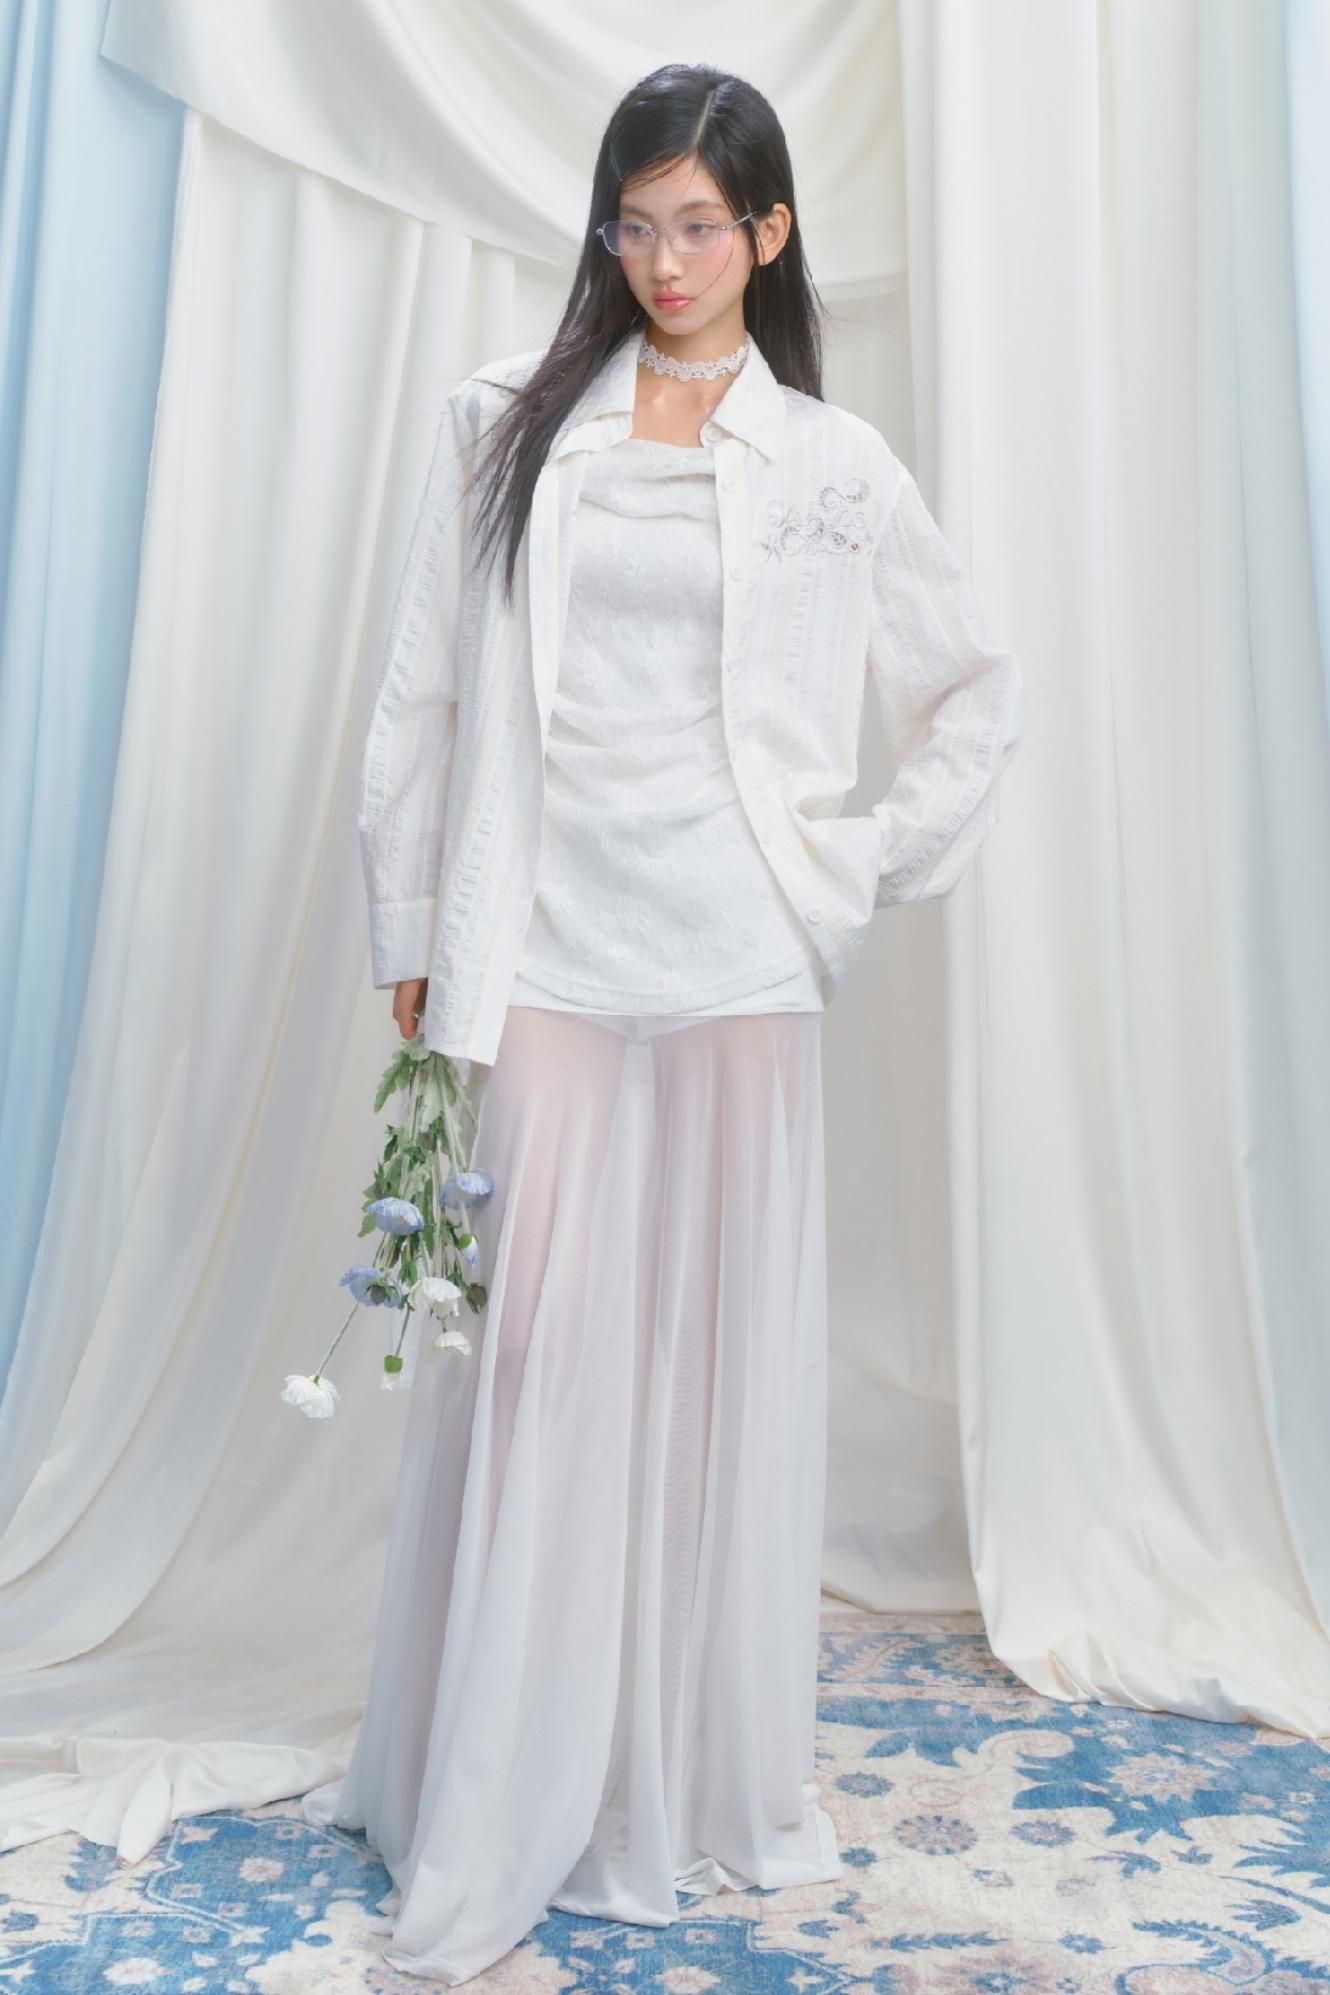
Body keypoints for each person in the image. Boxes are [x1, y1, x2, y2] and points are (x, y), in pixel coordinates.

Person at [301, 60, 1024, 1987]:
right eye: (634, 224)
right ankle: (495, 1774)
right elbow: (422, 691)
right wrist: (408, 916)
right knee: (536, 1357)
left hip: (734, 957)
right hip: (541, 943)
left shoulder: (832, 466)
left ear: (768, 233)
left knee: (708, 1364)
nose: (665, 260)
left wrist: (850, 862)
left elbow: (973, 689)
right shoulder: (503, 422)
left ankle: (669, 1775)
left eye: (700, 225)